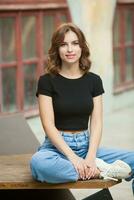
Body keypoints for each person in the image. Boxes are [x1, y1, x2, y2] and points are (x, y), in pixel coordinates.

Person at [30, 23, 133, 193]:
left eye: (75, 43)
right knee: (39, 165)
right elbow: (48, 125)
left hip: (87, 146)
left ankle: (95, 167)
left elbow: (97, 122)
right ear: (57, 49)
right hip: (56, 148)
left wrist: (91, 157)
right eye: (63, 45)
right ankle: (101, 172)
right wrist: (74, 159)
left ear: (82, 46)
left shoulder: (94, 81)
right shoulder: (46, 81)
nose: (70, 49)